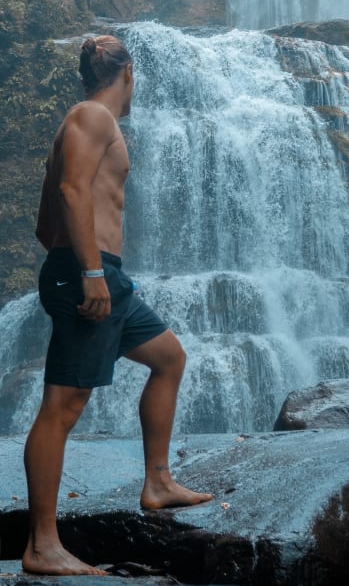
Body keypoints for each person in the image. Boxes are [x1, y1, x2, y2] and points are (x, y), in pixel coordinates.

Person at [22, 35, 213, 577]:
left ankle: (157, 482)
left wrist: (85, 268)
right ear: (127, 73)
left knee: (169, 358)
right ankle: (41, 544)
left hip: (103, 275)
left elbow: (44, 221)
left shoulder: (77, 123)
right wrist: (85, 273)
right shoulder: (92, 117)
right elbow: (72, 192)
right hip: (92, 274)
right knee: (62, 406)